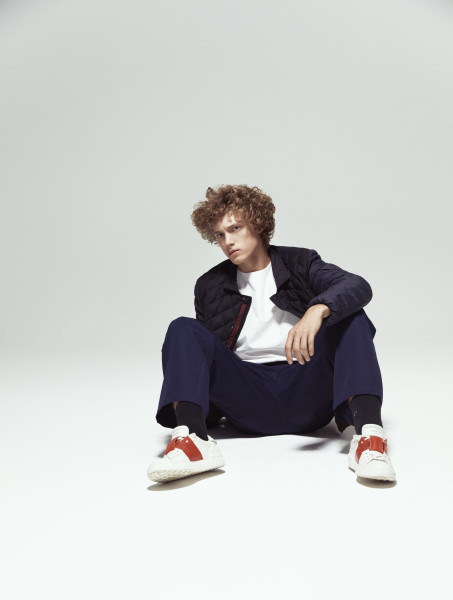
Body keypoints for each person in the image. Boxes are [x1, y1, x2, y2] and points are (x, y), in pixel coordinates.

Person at [147, 185, 396, 484]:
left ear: (258, 223)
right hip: (247, 395)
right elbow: (203, 357)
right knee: (182, 328)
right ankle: (192, 441)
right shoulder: (208, 285)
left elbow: (357, 285)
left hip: (306, 387)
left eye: (235, 228)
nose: (228, 241)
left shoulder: (301, 262)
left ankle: (370, 439)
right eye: (219, 235)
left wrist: (317, 309)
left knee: (350, 315)